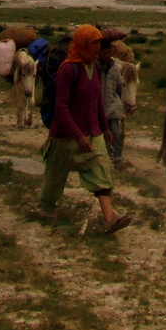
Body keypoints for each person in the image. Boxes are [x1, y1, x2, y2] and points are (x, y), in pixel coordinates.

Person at [40, 25, 132, 234]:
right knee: (55, 178)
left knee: (101, 169)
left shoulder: (95, 68)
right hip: (65, 137)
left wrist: (104, 128)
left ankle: (109, 218)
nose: (99, 48)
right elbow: (61, 108)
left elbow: (97, 100)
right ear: (83, 44)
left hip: (92, 132)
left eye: (100, 43)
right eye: (95, 43)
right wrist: (78, 136)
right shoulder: (67, 70)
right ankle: (46, 208)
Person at [97, 29, 128, 168]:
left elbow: (119, 89)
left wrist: (120, 106)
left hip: (113, 107)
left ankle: (117, 158)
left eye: (109, 53)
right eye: (104, 53)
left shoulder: (116, 68)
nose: (107, 56)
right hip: (98, 108)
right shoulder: (94, 67)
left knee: (115, 133)